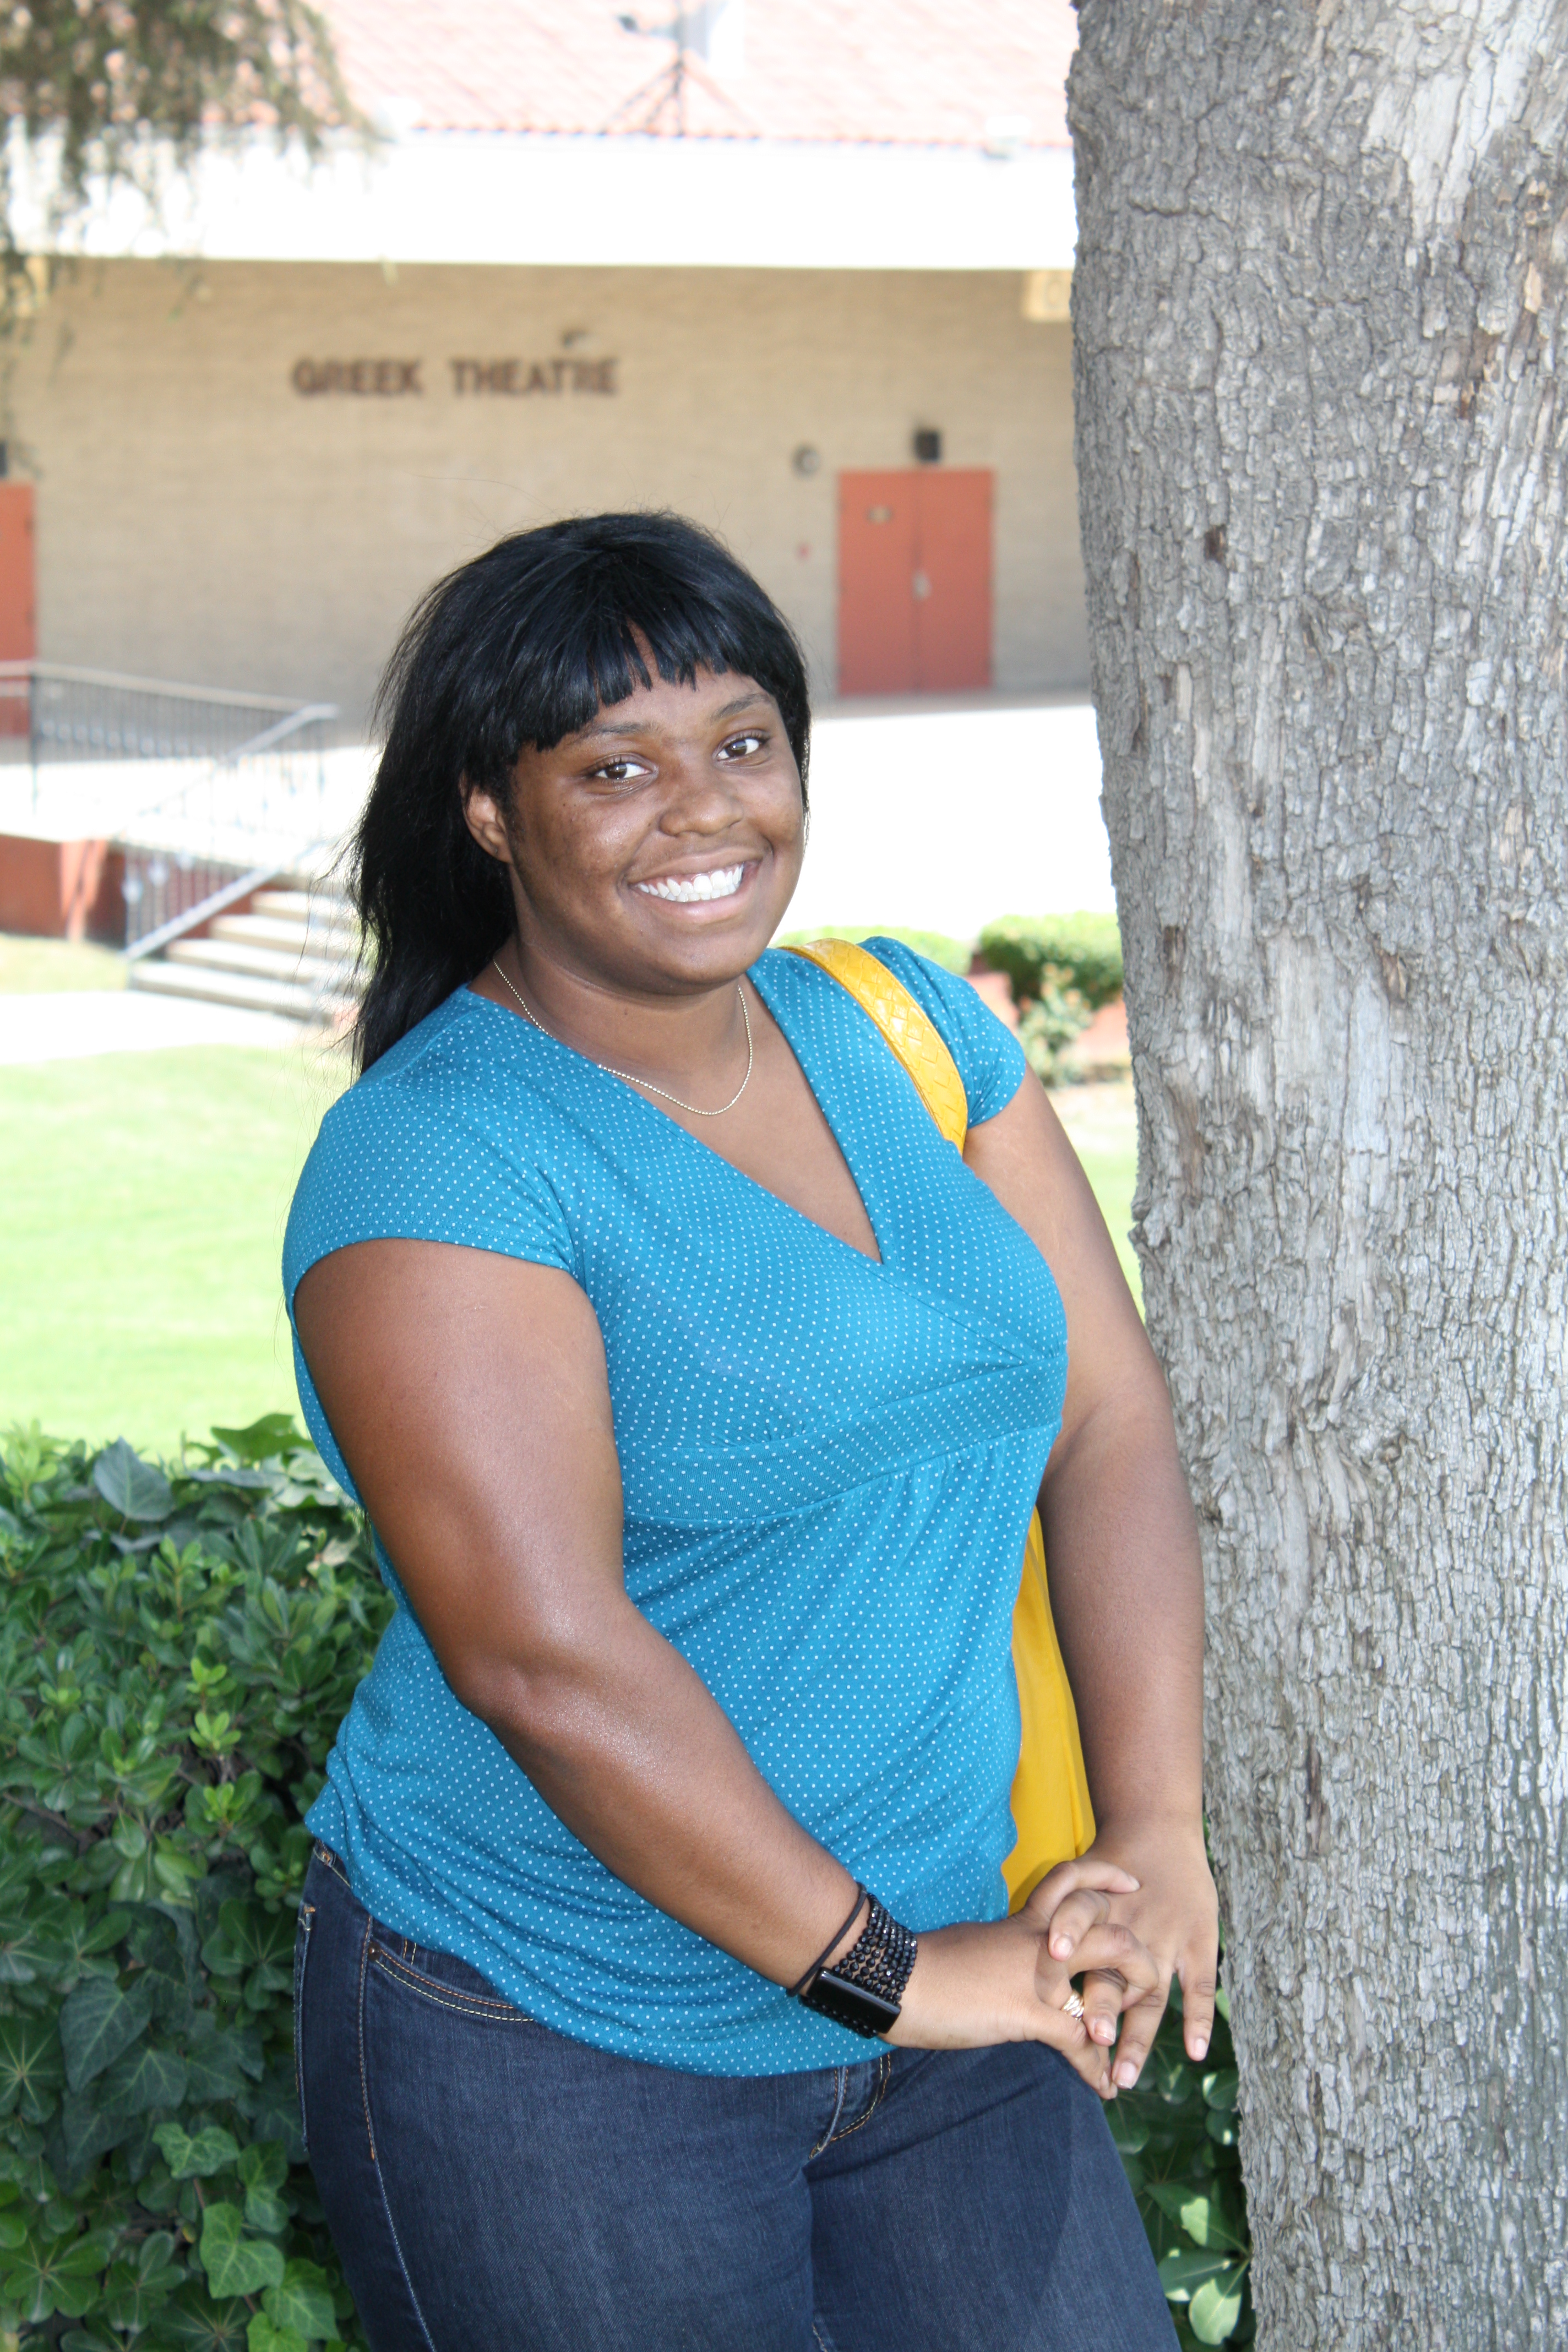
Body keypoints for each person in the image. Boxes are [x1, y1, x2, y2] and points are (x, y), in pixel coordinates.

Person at [285, 511, 1217, 2352]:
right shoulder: (440, 1158)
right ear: (490, 813)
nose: (703, 809)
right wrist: (895, 1979)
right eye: (613, 767)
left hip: (954, 1973)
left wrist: (1157, 1826)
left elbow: (1106, 1418)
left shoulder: (907, 1027)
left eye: (741, 742)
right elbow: (544, 1657)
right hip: (557, 2027)